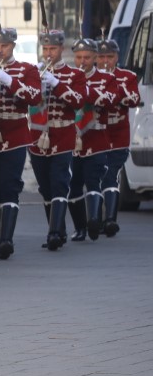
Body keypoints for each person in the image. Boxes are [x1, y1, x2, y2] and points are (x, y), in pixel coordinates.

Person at [0, 26, 43, 258]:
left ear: (13, 46)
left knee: (10, 185)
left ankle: (7, 239)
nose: (0, 50)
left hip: (15, 134)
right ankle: (0, 239)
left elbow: (34, 97)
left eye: (4, 46)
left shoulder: (26, 70)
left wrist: (8, 80)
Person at [28, 31, 87, 251]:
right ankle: (59, 230)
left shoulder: (74, 75)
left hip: (62, 136)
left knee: (60, 182)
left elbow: (78, 101)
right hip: (37, 138)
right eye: (45, 50)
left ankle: (53, 232)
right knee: (45, 187)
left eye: (52, 49)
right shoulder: (34, 73)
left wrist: (57, 84)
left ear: (61, 49)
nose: (48, 53)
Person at [68, 39, 118, 241]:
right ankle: (80, 227)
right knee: (73, 184)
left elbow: (110, 100)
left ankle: (94, 221)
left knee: (93, 180)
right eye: (79, 57)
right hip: (72, 139)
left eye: (87, 57)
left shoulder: (106, 78)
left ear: (96, 58)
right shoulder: (68, 77)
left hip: (97, 138)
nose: (82, 61)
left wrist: (86, 91)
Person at [97, 39, 140, 236]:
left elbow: (133, 99)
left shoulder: (127, 77)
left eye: (110, 57)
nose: (105, 61)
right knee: (95, 177)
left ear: (117, 57)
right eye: (102, 57)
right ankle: (95, 219)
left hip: (118, 134)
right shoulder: (90, 76)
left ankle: (111, 220)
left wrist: (113, 84)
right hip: (96, 134)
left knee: (111, 176)